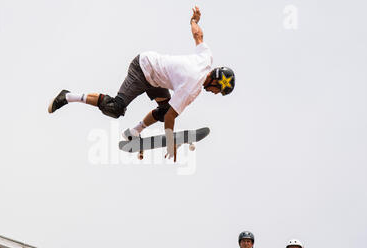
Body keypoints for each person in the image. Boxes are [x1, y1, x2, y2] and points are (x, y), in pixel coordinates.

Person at [48, 6, 235, 162]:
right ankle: (67, 96)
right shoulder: (192, 88)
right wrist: (170, 140)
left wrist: (194, 21)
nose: (215, 93)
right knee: (115, 108)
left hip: (156, 73)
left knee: (163, 110)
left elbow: (198, 36)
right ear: (216, 81)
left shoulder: (206, 57)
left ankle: (134, 132)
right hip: (143, 69)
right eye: (218, 90)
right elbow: (171, 118)